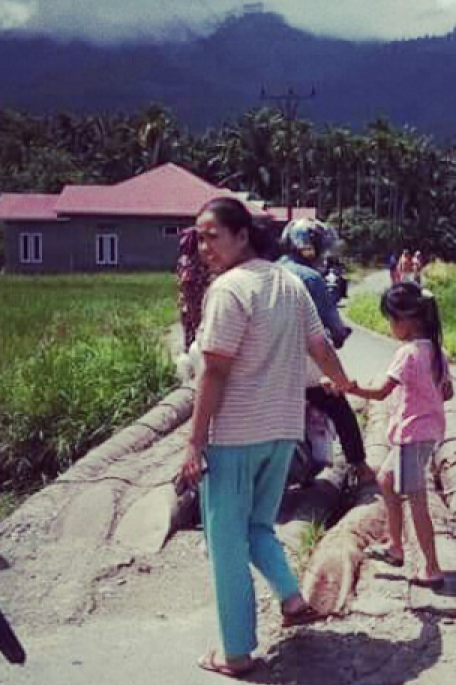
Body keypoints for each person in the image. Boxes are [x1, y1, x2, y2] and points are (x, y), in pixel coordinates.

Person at [176, 197, 355, 678]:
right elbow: (320, 346)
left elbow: (213, 371)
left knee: (227, 545)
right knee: (257, 528)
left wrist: (194, 443)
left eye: (213, 235)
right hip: (280, 432)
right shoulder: (290, 284)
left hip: (234, 436)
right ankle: (293, 601)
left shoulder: (229, 290)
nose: (203, 247)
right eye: (199, 237)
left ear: (242, 235)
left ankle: (236, 653)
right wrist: (347, 383)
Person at [350, 283, 452, 588]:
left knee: (417, 501)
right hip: (427, 432)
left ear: (407, 320)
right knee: (385, 479)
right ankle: (395, 547)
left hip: (412, 435)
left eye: (391, 320)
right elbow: (446, 392)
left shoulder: (407, 353)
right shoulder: (435, 350)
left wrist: (348, 386)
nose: (390, 327)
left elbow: (380, 392)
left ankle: (432, 568)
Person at [277, 218, 373, 485]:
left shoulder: (271, 270)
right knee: (339, 406)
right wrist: (340, 334)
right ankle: (360, 465)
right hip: (303, 362)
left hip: (269, 364)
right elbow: (330, 325)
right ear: (311, 246)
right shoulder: (311, 279)